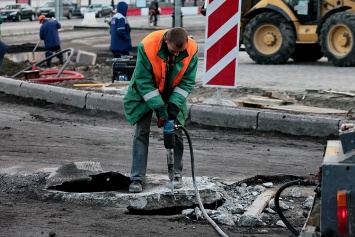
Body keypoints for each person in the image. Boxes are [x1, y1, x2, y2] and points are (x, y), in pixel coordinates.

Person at [123, 27, 198, 193]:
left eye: (181, 51)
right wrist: (160, 109)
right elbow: (143, 81)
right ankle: (137, 178)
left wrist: (173, 106)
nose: (177, 55)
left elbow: (187, 82)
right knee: (142, 131)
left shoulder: (192, 49)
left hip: (173, 91)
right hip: (146, 92)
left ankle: (176, 174)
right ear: (166, 41)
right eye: (173, 51)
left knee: (176, 129)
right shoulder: (148, 45)